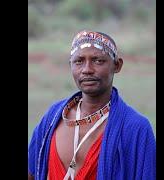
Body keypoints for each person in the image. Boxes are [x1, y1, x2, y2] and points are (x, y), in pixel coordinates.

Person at [28, 30, 156, 180]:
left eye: (98, 60)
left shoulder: (135, 128)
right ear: (71, 65)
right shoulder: (53, 117)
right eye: (79, 61)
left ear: (117, 65)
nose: (87, 69)